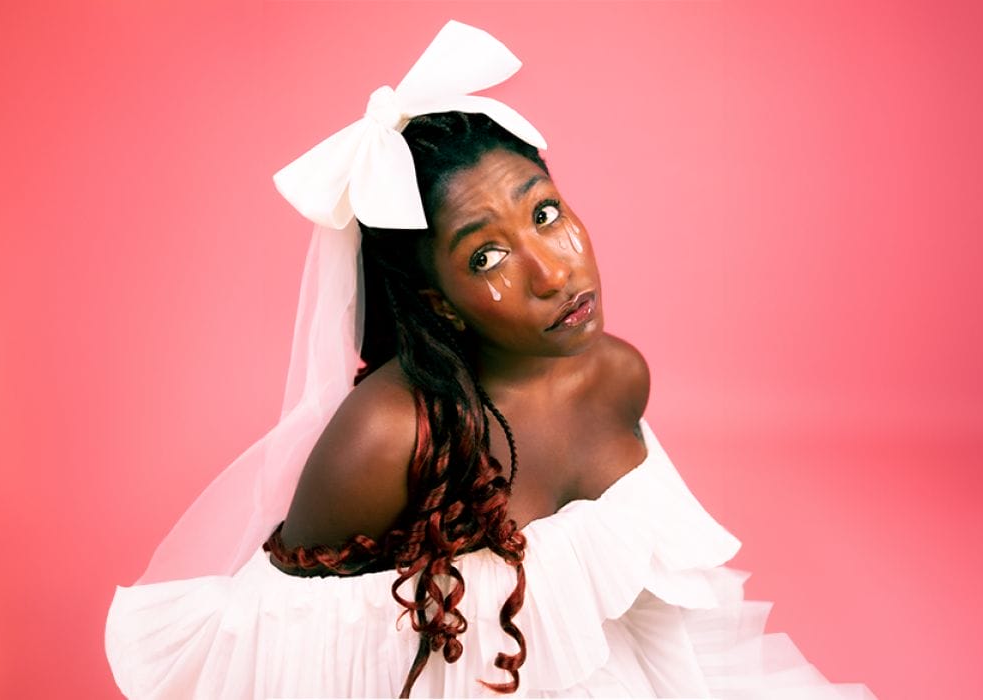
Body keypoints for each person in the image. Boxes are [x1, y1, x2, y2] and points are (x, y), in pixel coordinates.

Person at [105, 21, 876, 699]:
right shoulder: (383, 441)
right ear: (437, 300)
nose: (554, 270)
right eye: (488, 257)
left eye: (546, 213)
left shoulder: (615, 378)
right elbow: (291, 665)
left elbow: (653, 624)